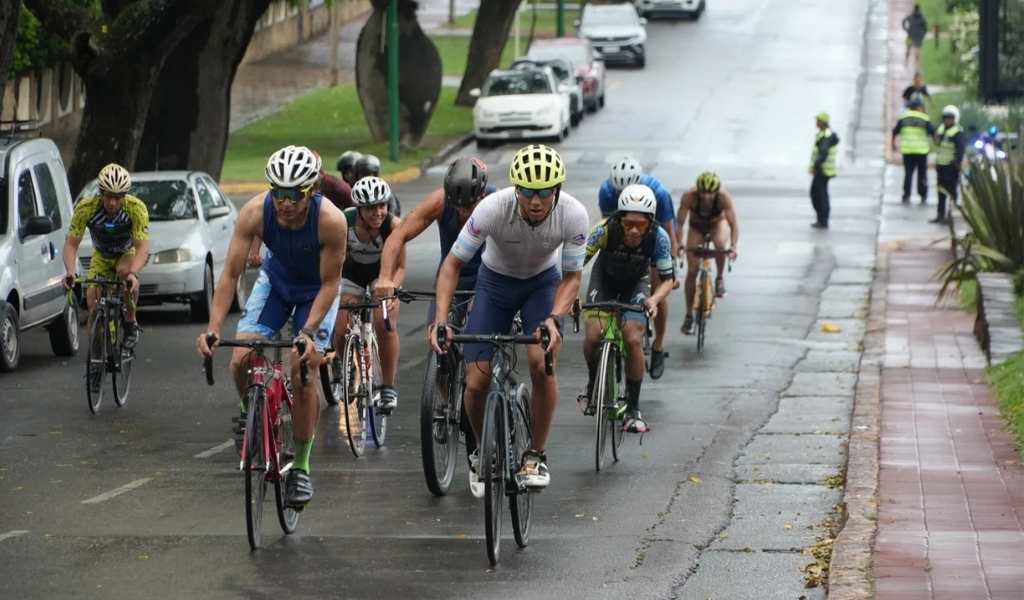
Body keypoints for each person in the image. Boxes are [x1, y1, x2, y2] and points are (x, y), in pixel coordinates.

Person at [196, 145, 347, 509]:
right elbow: (231, 274)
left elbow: (329, 284)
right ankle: (251, 414)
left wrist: (307, 334)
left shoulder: (331, 221)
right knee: (240, 359)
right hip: (277, 283)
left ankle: (302, 468)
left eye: (293, 194)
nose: (284, 202)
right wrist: (214, 327)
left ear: (311, 191)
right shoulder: (254, 212)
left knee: (303, 369)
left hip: (316, 291)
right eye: (277, 192)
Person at [431, 144, 588, 494]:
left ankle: (536, 454)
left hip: (542, 285)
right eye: (527, 192)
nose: (535, 201)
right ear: (515, 189)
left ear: (557, 191)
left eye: (544, 193)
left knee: (540, 361)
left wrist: (554, 319)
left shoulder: (574, 215)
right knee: (476, 382)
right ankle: (481, 449)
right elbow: (452, 266)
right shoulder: (492, 208)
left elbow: (572, 278)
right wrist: (441, 320)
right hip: (495, 285)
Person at [579, 184, 675, 434]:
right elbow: (575, 266)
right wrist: (569, 299)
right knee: (592, 336)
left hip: (637, 284)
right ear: (619, 219)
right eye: (628, 223)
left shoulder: (659, 237)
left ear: (650, 223)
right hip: (604, 281)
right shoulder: (604, 230)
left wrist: (654, 300)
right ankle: (592, 385)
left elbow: (668, 279)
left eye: (640, 225)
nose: (633, 230)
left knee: (633, 337)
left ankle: (633, 409)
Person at [376, 156, 494, 325]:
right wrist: (385, 277)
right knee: (438, 333)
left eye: (468, 207)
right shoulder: (439, 201)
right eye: (457, 206)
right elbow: (398, 235)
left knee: (480, 329)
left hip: (486, 274)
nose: (462, 213)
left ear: (482, 196)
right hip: (450, 275)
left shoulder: (495, 202)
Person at [597, 157, 676, 379]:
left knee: (657, 285)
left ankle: (658, 345)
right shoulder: (606, 191)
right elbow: (608, 230)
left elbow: (669, 229)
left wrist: (672, 259)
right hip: (625, 239)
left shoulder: (658, 193)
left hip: (654, 237)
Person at [63, 163, 150, 354]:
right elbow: (71, 244)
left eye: (118, 197)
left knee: (123, 273)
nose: (112, 203)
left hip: (126, 254)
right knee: (92, 305)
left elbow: (142, 247)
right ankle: (96, 358)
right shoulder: (86, 208)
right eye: (109, 196)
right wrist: (70, 272)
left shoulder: (136, 209)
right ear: (101, 192)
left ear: (125, 196)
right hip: (101, 257)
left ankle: (130, 321)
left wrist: (134, 274)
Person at [337, 176, 405, 413]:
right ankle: (343, 364)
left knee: (384, 321)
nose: (378, 212)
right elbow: (333, 261)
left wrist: (392, 292)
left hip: (382, 276)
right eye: (370, 208)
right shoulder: (343, 222)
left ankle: (388, 387)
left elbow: (401, 267)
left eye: (382, 205)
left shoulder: (393, 226)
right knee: (340, 323)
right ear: (359, 209)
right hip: (351, 274)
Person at [675, 172, 739, 335]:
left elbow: (733, 224)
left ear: (717, 192)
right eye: (703, 193)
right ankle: (689, 315)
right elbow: (679, 223)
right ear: (698, 191)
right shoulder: (689, 196)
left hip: (717, 224)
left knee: (719, 244)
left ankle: (719, 278)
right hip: (696, 227)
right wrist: (680, 243)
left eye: (710, 193)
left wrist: (733, 246)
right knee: (692, 271)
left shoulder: (723, 197)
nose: (707, 197)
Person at [892, 95, 934, 204]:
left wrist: (893, 145)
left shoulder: (903, 117)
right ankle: (923, 195)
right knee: (922, 174)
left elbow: (894, 132)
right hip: (921, 151)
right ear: (920, 107)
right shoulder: (924, 118)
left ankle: (906, 194)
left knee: (908, 174)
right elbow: (933, 133)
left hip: (908, 151)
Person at [932, 105, 965, 224]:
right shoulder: (941, 129)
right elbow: (938, 144)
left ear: (955, 119)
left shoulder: (958, 132)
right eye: (945, 118)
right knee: (940, 192)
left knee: (952, 193)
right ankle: (940, 215)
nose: (947, 120)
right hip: (941, 166)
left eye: (950, 118)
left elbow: (960, 150)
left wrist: (956, 163)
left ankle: (951, 216)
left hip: (951, 167)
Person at [809, 112, 840, 229]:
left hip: (823, 170)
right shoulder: (823, 134)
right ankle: (821, 219)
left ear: (823, 122)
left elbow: (823, 153)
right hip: (824, 170)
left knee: (819, 195)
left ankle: (823, 220)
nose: (816, 123)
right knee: (817, 194)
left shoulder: (826, 136)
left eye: (818, 121)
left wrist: (815, 167)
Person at [902, 4, 928, 68]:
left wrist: (906, 29)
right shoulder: (922, 17)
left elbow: (903, 21)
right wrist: (922, 34)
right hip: (918, 37)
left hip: (910, 36)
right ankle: (917, 65)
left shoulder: (910, 16)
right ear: (919, 9)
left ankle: (906, 62)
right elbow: (925, 28)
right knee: (918, 52)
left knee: (908, 50)